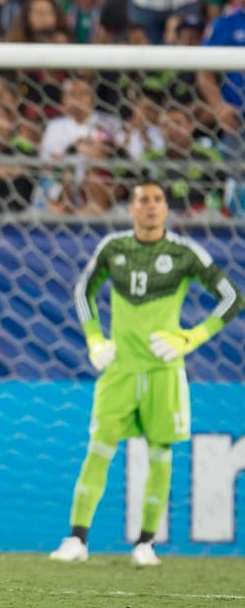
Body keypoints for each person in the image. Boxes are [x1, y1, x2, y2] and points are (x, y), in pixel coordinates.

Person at [50, 180, 241, 566]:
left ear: (166, 208)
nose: (150, 206)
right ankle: (76, 539)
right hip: (119, 369)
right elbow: (83, 290)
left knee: (160, 454)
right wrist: (94, 340)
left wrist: (191, 338)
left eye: (157, 200)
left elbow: (232, 297)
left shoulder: (184, 253)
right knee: (98, 449)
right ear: (131, 208)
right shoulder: (113, 247)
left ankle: (145, 544)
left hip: (164, 371)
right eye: (142, 200)